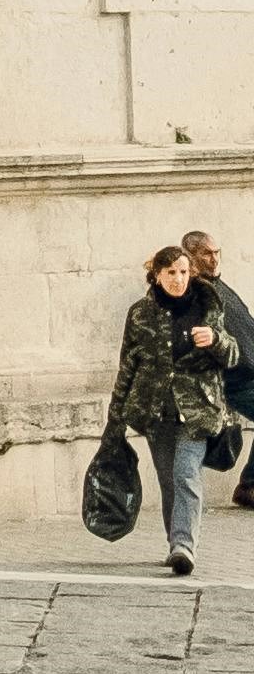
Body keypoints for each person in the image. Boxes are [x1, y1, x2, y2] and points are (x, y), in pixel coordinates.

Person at [111, 241, 240, 575]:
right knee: (168, 480)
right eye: (171, 273)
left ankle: (184, 546)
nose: (178, 279)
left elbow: (233, 354)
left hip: (198, 411)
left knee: (186, 475)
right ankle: (176, 543)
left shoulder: (208, 305)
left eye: (183, 272)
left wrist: (215, 340)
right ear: (156, 275)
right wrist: (115, 419)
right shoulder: (140, 313)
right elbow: (128, 365)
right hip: (156, 411)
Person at [179, 231, 254, 508]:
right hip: (232, 379)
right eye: (206, 254)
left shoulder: (218, 286)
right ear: (191, 256)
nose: (214, 259)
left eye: (216, 252)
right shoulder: (196, 292)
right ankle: (249, 485)